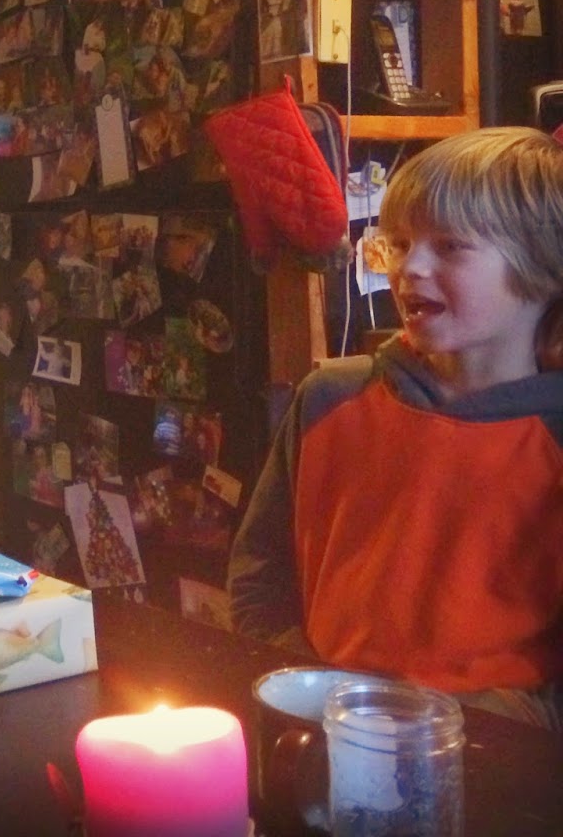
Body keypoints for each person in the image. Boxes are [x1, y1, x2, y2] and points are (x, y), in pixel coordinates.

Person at [228, 127, 563, 730]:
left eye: (451, 246)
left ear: (542, 268)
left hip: (493, 755)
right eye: (401, 243)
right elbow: (261, 574)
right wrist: (309, 689)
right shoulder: (328, 396)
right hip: (320, 726)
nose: (410, 267)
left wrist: (496, 725)